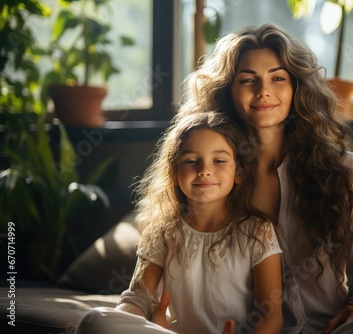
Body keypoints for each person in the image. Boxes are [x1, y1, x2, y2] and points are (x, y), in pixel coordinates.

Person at [172, 23, 353, 334]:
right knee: (102, 322)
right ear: (227, 91)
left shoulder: (346, 170)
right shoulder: (207, 177)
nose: (263, 91)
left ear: (297, 87)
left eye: (278, 78)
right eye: (247, 80)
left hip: (331, 329)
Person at [75, 111, 283, 334]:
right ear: (174, 172)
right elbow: (138, 298)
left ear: (238, 172)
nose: (204, 171)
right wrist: (134, 324)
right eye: (191, 161)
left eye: (219, 161)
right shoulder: (162, 231)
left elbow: (271, 316)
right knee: (95, 320)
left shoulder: (257, 230)